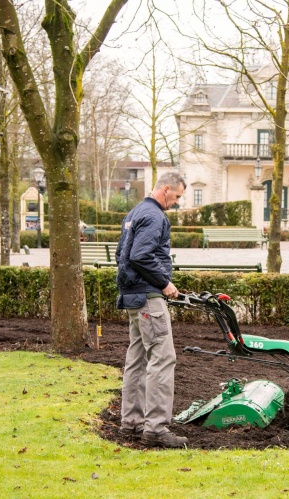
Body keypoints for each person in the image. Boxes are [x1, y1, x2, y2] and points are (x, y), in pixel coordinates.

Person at [115, 172, 187, 448]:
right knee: (162, 357)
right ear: (166, 189)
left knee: (137, 359)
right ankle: (156, 428)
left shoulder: (134, 213)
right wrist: (164, 283)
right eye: (177, 196)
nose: (176, 202)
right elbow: (140, 256)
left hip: (132, 295)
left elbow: (123, 254)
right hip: (148, 297)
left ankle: (131, 423)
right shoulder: (155, 216)